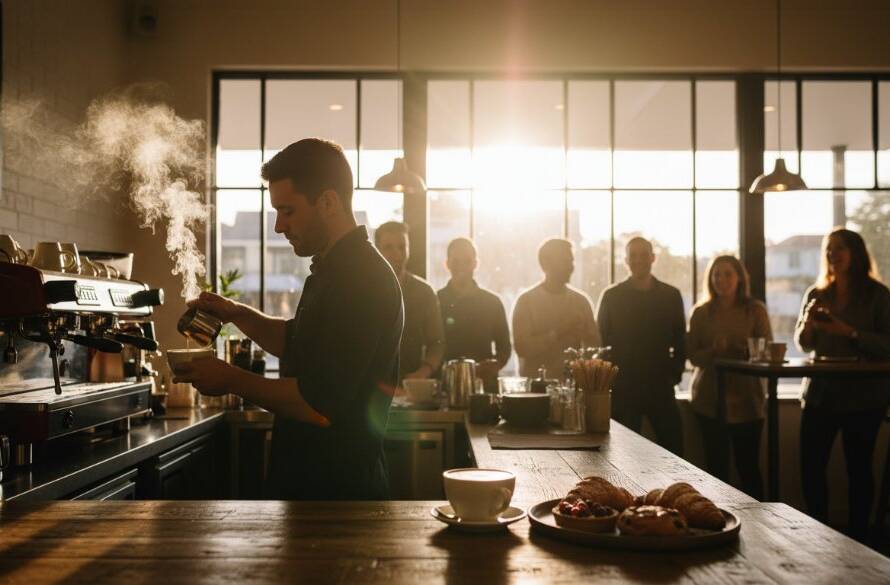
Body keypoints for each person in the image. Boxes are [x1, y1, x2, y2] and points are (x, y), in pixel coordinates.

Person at [174, 138, 403, 500]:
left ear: (328, 202)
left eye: (288, 211)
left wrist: (230, 379)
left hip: (339, 493)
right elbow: (297, 342)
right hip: (309, 483)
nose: (279, 226)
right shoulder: (330, 269)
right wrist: (236, 313)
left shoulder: (362, 279)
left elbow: (317, 401)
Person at [795, 227, 890, 540]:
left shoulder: (878, 295)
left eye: (839, 248)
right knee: (811, 467)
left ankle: (861, 539)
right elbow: (803, 344)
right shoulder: (817, 293)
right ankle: (817, 535)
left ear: (856, 253)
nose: (832, 254)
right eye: (829, 248)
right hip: (820, 394)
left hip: (864, 397)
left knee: (859, 469)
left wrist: (848, 332)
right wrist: (809, 323)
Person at [687, 255, 771, 499]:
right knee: (715, 469)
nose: (721, 279)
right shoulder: (701, 312)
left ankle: (759, 519)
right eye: (716, 274)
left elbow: (766, 350)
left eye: (727, 274)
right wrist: (713, 352)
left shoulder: (755, 310)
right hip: (710, 400)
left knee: (749, 468)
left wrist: (744, 351)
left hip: (748, 401)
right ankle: (717, 517)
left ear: (739, 278)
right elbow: (692, 356)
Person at [596, 237, 685, 455]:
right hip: (623, 387)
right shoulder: (611, 296)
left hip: (661, 385)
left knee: (674, 450)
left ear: (653, 258)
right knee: (621, 454)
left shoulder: (671, 296)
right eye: (633, 256)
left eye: (643, 255)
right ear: (625, 260)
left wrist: (674, 375)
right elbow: (601, 342)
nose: (638, 260)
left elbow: (681, 341)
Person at [513, 238, 600, 379]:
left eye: (571, 261)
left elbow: (594, 349)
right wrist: (559, 332)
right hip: (536, 389)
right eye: (565, 261)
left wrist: (587, 337)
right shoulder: (526, 302)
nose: (570, 267)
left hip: (572, 387)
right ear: (545, 263)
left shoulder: (581, 302)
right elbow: (522, 348)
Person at [374, 221, 445, 381]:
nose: (397, 254)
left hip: (410, 384)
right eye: (388, 247)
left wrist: (423, 373)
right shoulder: (364, 291)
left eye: (402, 247)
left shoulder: (424, 292)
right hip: (372, 385)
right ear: (377, 251)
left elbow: (437, 343)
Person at [437, 237, 511, 383]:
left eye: (467, 261)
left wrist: (493, 365)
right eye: (456, 261)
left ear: (476, 264)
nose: (461, 266)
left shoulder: (492, 303)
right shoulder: (435, 302)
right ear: (447, 264)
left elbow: (505, 348)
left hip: (484, 384)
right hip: (445, 384)